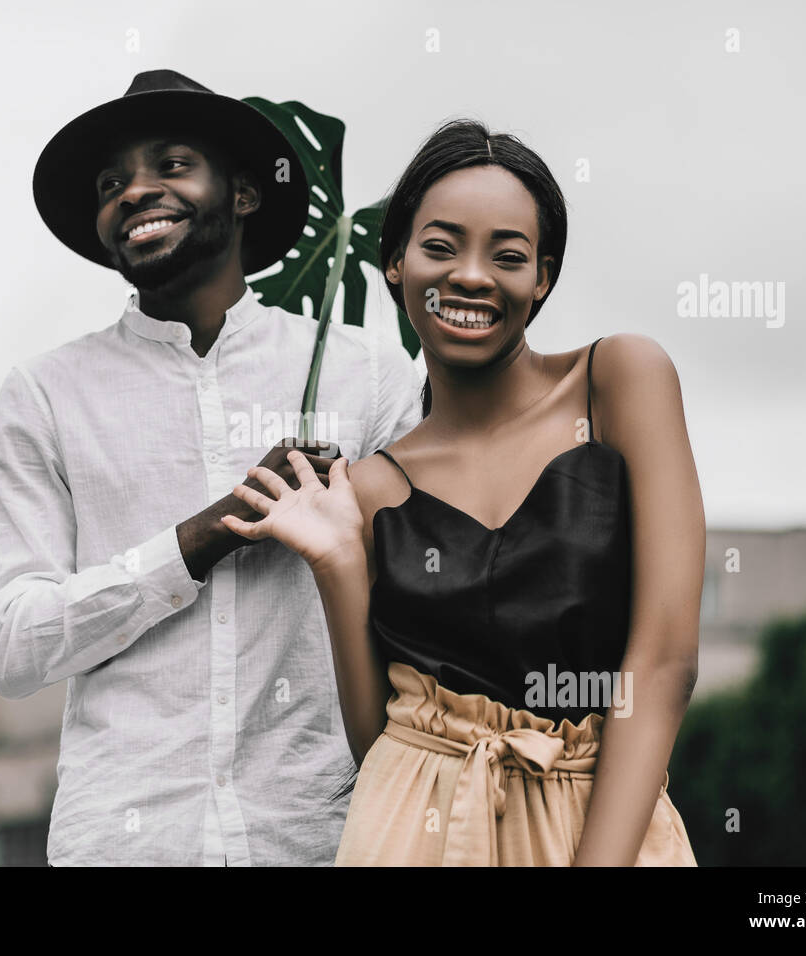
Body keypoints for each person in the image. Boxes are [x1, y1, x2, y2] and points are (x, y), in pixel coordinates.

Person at [221, 120, 703, 866]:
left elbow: (665, 660)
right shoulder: (378, 485)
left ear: (542, 277)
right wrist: (338, 563)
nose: (471, 275)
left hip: (596, 822)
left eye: (507, 256)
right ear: (395, 263)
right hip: (412, 833)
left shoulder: (619, 382)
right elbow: (381, 741)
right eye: (440, 247)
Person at [0, 70, 422, 865]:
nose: (136, 191)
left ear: (244, 194)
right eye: (113, 183)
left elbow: (428, 612)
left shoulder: (371, 378)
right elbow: (11, 649)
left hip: (319, 838)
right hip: (123, 840)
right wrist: (201, 537)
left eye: (172, 165)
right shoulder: (43, 395)